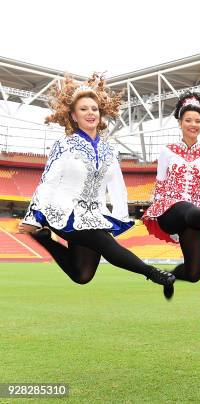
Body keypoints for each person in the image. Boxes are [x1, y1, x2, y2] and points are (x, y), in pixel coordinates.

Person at [18, 74, 175, 292]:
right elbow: (48, 182)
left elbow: (117, 185)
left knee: (82, 275)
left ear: (100, 114)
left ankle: (44, 240)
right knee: (105, 242)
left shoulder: (110, 149)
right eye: (83, 109)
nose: (90, 112)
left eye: (94, 108)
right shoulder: (64, 145)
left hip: (95, 215)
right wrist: (33, 217)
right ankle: (153, 273)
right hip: (63, 213)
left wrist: (120, 216)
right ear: (73, 116)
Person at [142, 92, 200, 300]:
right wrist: (156, 212)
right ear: (180, 123)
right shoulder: (167, 151)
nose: (193, 124)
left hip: (195, 215)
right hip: (169, 210)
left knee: (194, 274)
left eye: (198, 121)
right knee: (185, 207)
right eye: (188, 120)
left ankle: (168, 277)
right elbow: (161, 184)